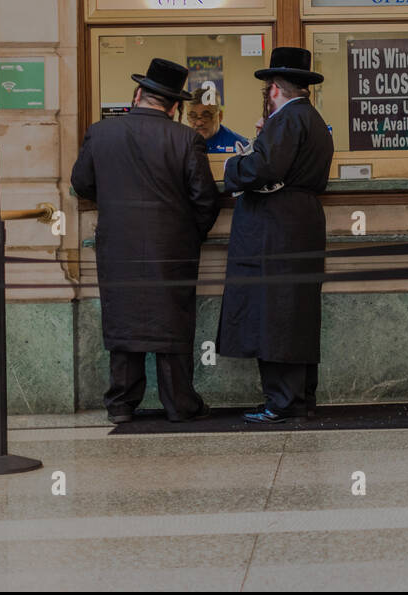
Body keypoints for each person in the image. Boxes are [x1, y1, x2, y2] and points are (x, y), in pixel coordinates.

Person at [71, 58, 222, 424]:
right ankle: (179, 405)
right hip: (171, 249)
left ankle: (121, 404)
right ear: (175, 107)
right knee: (172, 324)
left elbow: (82, 184)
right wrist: (189, 235)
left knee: (123, 320)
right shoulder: (187, 139)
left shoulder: (100, 133)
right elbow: (206, 199)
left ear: (137, 95)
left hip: (117, 246)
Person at [217, 47, 334, 423]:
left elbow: (264, 170)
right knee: (296, 312)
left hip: (274, 228)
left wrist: (232, 164)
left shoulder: (285, 120)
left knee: (274, 313)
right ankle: (299, 399)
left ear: (273, 90)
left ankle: (280, 403)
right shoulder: (313, 119)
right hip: (301, 224)